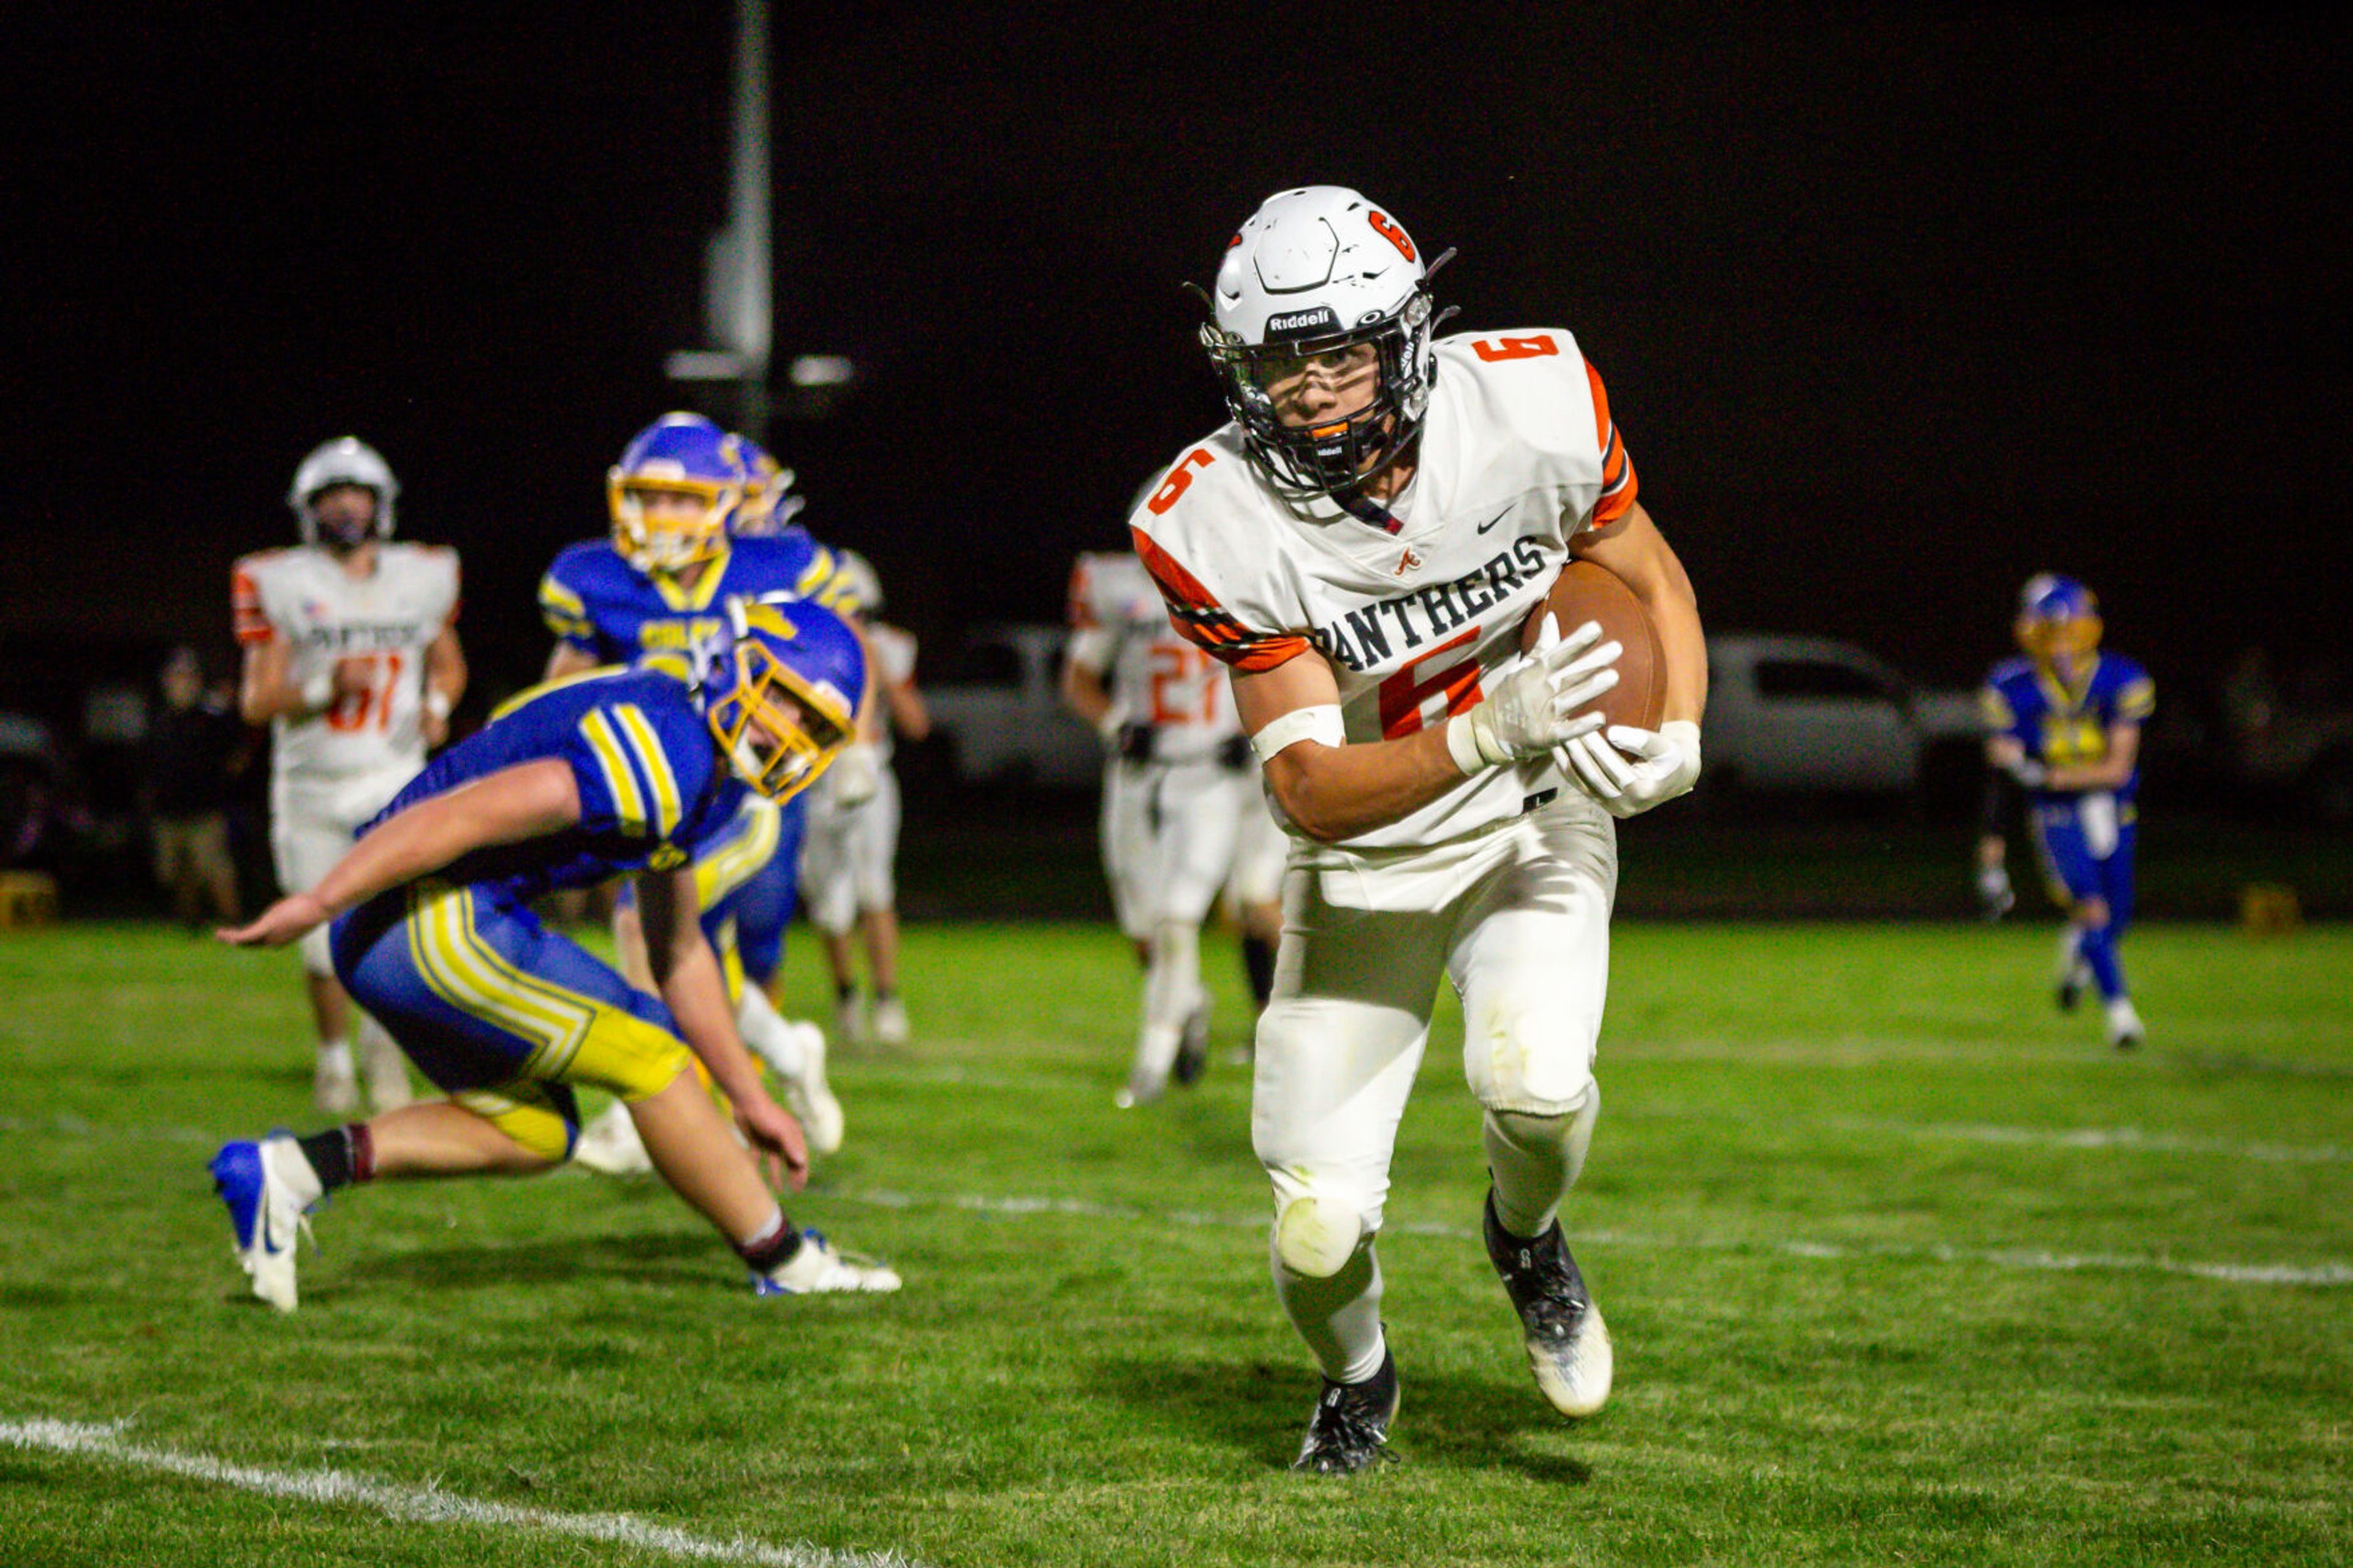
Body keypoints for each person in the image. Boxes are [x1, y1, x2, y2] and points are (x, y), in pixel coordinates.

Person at [1127, 187, 1705, 1473]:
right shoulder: (1215, 520)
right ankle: (1360, 1379)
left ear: (1406, 337)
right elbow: (1308, 791)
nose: (1314, 390)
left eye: (1338, 352)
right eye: (1281, 362)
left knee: (1539, 1084)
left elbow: (1651, 580)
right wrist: (1483, 727)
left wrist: (1683, 731)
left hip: (1534, 818)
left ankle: (1526, 1239)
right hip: (1369, 856)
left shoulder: (1529, 406)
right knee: (1319, 1225)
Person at [207, 597, 901, 1311]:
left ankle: (287, 1174)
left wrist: (750, 1097)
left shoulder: (705, 773)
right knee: (650, 1051)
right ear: (734, 663)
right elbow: (462, 812)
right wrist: (322, 900)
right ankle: (788, 1262)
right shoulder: (667, 749)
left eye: (815, 726)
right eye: (784, 700)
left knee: (534, 1131)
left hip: (404, 929)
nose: (789, 732)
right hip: (422, 914)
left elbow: (678, 947)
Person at [539, 416, 858, 1164]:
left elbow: (844, 655)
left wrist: (859, 747)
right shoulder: (599, 579)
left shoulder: (776, 566)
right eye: (649, 499)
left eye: (680, 502)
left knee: (640, 926)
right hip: (655, 797)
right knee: (686, 949)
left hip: (745, 799)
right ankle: (784, 1051)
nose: (662, 518)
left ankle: (636, 1106)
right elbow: (566, 681)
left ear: (722, 503)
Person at [235, 437, 465, 1115]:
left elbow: (448, 664)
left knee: (393, 924)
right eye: (331, 494)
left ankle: (383, 1046)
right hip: (310, 784)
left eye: (356, 493)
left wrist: (438, 706)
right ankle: (334, 1057)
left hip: (392, 773)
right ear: (309, 508)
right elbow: (256, 701)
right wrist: (321, 689)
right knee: (317, 940)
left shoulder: (422, 574)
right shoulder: (281, 580)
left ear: (380, 503)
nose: (345, 506)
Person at [1060, 545, 1260, 1104]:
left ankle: (1151, 1062)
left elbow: (1280, 669)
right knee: (1145, 930)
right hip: (1136, 775)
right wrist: (1117, 725)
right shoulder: (1120, 590)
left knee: (1177, 919)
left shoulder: (1244, 581)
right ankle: (1188, 1003)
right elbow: (1078, 677)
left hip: (1209, 775)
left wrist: (1255, 734)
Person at [1977, 574, 2154, 1049]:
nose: (2057, 644)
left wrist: (2047, 773)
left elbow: (2118, 768)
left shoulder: (2122, 677)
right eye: (2047, 632)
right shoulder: (2010, 686)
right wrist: (1991, 861)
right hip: (2055, 814)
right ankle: (2121, 1017)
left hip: (2112, 806)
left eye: (2064, 629)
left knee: (2116, 917)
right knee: (2092, 909)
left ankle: (2078, 953)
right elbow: (1999, 782)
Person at [798, 549, 930, 1047]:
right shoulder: (799, 647)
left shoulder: (889, 647)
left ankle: (888, 998)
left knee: (876, 889)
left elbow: (916, 723)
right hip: (813, 780)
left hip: (870, 775)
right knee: (829, 905)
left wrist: (877, 668)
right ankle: (847, 997)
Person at [143, 645, 247, 930]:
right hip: (169, 809)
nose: (182, 683)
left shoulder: (212, 717)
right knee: (179, 872)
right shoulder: (161, 719)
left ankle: (232, 921)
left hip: (206, 809)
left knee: (215, 870)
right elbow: (150, 763)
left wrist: (221, 786)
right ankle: (191, 925)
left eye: (187, 676)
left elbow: (238, 754)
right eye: (176, 676)